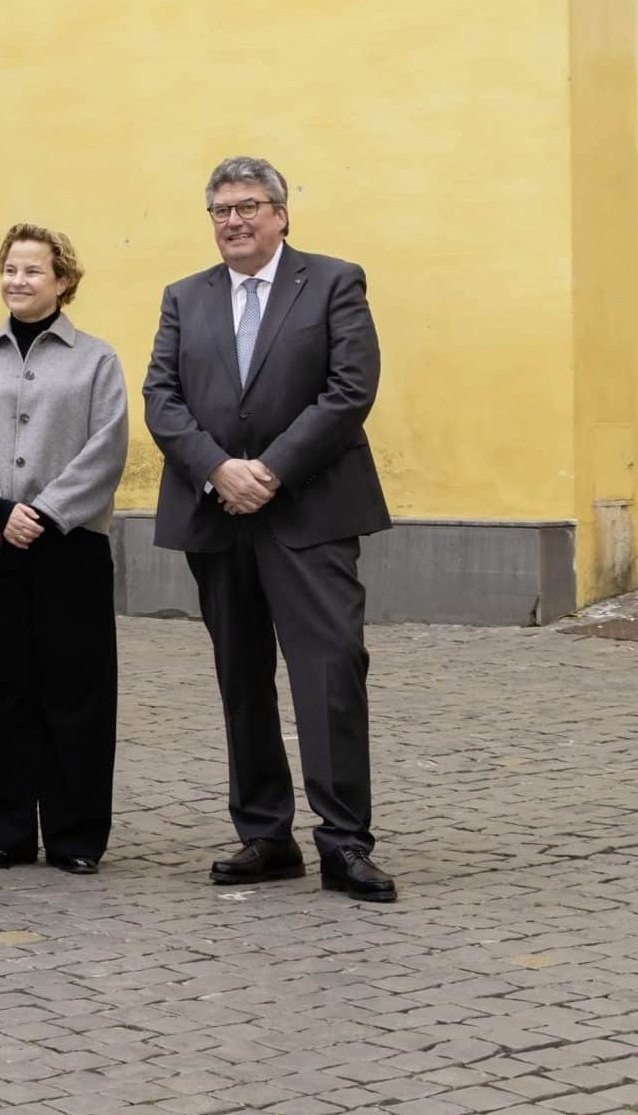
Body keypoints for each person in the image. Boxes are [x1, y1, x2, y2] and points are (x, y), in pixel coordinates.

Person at [143, 156, 396, 902]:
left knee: (331, 672)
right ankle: (264, 834)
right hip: (217, 515)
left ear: (281, 214)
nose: (234, 221)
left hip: (310, 513)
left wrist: (271, 470)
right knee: (242, 678)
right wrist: (220, 470)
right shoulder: (184, 298)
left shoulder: (333, 281)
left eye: (249, 206)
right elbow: (162, 398)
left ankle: (344, 841)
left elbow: (350, 389)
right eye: (221, 210)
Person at [0, 224, 128, 875]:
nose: (18, 281)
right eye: (10, 269)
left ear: (64, 280)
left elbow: (107, 448)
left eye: (33, 271)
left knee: (76, 690)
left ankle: (75, 838)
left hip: (69, 544)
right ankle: (1, 833)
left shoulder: (96, 361)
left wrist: (44, 512)